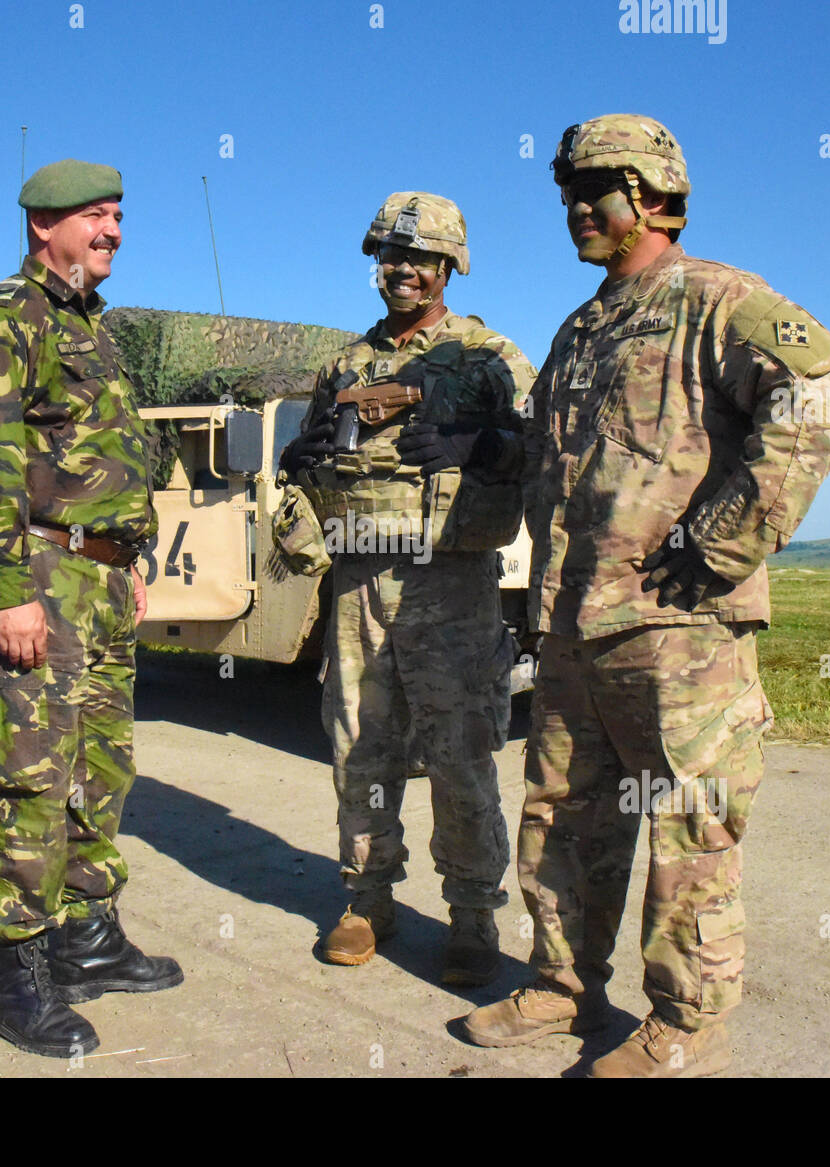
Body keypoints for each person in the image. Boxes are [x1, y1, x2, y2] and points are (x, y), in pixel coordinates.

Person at [463, 116, 830, 1076]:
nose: (576, 212)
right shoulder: (583, 326)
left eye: (594, 192)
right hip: (571, 625)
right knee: (561, 813)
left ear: (651, 193)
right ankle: (562, 984)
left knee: (691, 828)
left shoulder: (717, 299)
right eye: (565, 196)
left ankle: (687, 1020)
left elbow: (817, 400)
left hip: (678, 630)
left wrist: (721, 545)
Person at [0, 158, 181, 1058]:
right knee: (27, 772)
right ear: (45, 225)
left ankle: (88, 935)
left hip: (101, 582)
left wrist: (130, 561)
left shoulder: (96, 330)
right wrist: (8, 589)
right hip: (37, 573)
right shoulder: (1, 315)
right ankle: (18, 975)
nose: (114, 230)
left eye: (120, 215)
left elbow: (112, 463)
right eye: (97, 216)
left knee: (101, 764)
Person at [276, 192, 536, 985]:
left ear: (450, 266)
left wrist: (482, 440)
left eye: (420, 259)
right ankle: (366, 900)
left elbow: (535, 442)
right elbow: (313, 470)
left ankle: (471, 914)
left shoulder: (490, 354)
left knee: (461, 754)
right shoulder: (345, 364)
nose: (402, 272)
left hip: (450, 583)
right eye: (390, 257)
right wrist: (301, 460)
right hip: (358, 581)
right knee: (361, 749)